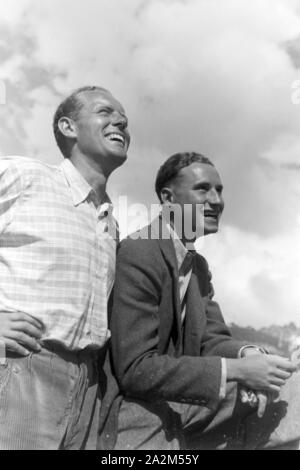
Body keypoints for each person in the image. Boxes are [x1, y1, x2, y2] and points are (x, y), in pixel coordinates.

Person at [100, 152, 300, 450]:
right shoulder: (139, 252)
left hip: (184, 402)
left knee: (291, 389)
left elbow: (212, 339)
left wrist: (252, 357)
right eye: (203, 189)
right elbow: (135, 370)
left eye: (219, 190)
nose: (216, 200)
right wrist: (238, 372)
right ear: (168, 198)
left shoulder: (198, 267)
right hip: (138, 412)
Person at [0, 85, 130, 449]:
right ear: (68, 127)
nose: (120, 120)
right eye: (105, 112)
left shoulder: (111, 225)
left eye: (124, 118)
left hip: (87, 391)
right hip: (21, 370)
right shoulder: (23, 178)